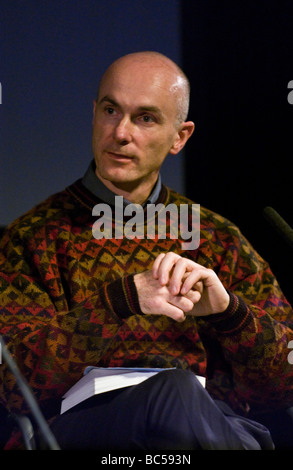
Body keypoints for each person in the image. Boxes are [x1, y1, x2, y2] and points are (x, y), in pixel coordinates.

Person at [0, 51, 293, 450]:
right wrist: (121, 301)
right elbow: (10, 383)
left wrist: (230, 314)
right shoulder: (30, 239)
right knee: (173, 390)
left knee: (196, 407)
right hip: (82, 430)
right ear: (94, 114)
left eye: (145, 118)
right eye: (110, 111)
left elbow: (284, 385)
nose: (120, 133)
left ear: (180, 137)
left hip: (213, 426)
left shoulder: (219, 238)